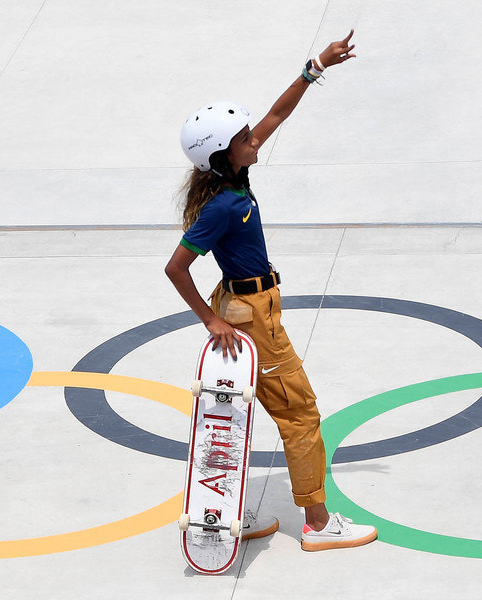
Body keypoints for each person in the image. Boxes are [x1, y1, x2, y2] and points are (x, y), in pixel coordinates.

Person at [164, 31, 377, 552]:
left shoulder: (234, 176)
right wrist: (212, 322)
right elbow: (175, 268)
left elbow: (277, 116)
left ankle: (232, 512)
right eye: (243, 138)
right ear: (222, 155)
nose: (254, 140)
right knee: (300, 414)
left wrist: (314, 67)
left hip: (247, 302)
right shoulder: (221, 206)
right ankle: (320, 524)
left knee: (238, 410)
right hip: (250, 315)